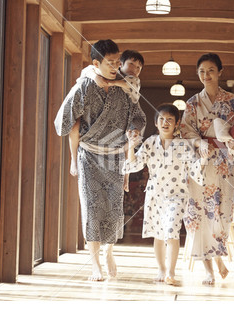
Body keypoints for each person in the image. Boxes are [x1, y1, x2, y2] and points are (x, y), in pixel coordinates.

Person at [54, 40, 146, 281]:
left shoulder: (124, 87)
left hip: (115, 157)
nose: (116, 66)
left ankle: (109, 252)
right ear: (96, 63)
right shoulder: (84, 86)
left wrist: (135, 130)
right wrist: (74, 125)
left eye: (118, 62)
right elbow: (61, 124)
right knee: (92, 208)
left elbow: (138, 117)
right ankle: (94, 263)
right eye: (110, 63)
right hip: (89, 156)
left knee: (115, 208)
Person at [180, 53, 234, 285]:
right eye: (202, 71)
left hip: (224, 163)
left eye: (211, 70)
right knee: (196, 214)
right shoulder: (193, 103)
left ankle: (218, 259)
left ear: (220, 72)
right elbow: (185, 131)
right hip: (200, 164)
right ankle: (209, 270)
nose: (206, 75)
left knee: (220, 213)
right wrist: (200, 141)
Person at [123, 104, 205, 285]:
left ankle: (171, 272)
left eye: (170, 119)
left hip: (177, 195)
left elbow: (194, 169)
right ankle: (161, 269)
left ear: (176, 124)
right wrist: (130, 147)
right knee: (158, 235)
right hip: (154, 195)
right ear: (156, 122)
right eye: (161, 119)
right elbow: (135, 165)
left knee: (171, 232)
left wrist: (204, 159)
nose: (165, 122)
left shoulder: (183, 145)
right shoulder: (150, 142)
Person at [69, 50, 145, 193]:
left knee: (130, 141)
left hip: (125, 118)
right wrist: (96, 76)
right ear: (120, 64)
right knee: (74, 125)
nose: (135, 69)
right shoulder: (103, 74)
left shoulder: (133, 80)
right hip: (98, 123)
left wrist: (109, 82)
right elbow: (87, 70)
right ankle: (73, 160)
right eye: (132, 64)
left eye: (139, 68)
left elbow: (129, 85)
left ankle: (126, 176)